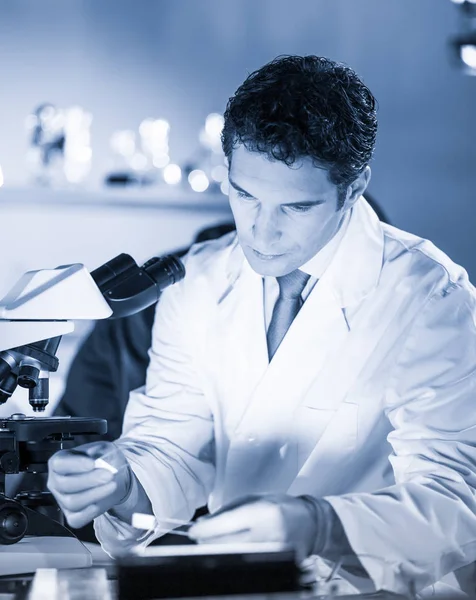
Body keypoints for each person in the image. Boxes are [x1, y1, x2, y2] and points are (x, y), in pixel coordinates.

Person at [47, 55, 476, 596]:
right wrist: (122, 481)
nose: (261, 233)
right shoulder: (201, 277)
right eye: (244, 194)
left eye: (295, 207)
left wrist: (318, 525)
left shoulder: (431, 296)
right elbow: (172, 447)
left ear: (354, 186)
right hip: (238, 583)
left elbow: (456, 501)